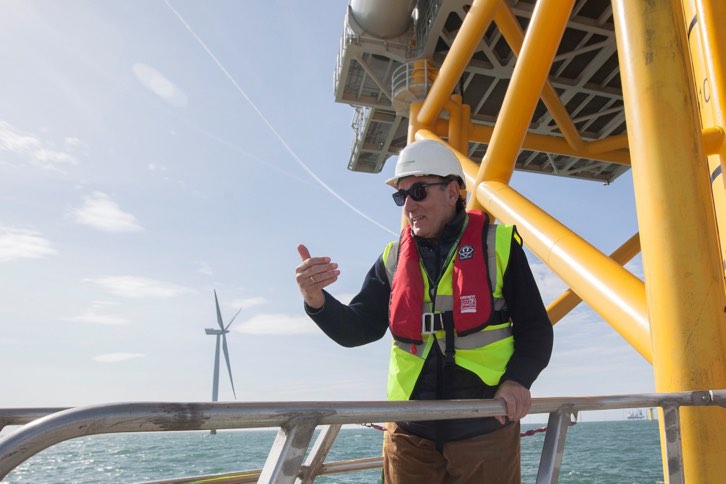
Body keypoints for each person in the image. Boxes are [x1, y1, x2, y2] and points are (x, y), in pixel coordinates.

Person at [295, 139, 553, 483]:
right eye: (401, 196)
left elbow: (535, 328)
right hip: (409, 430)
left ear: (452, 191)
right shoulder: (392, 258)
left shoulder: (499, 245)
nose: (409, 206)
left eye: (418, 191)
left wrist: (518, 381)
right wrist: (316, 300)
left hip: (485, 424)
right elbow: (359, 329)